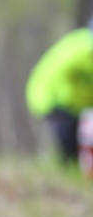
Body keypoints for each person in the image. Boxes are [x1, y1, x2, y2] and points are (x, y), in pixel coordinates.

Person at [25, 20, 93, 161]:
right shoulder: (81, 50)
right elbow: (55, 78)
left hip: (71, 103)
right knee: (68, 137)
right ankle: (64, 167)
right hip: (49, 96)